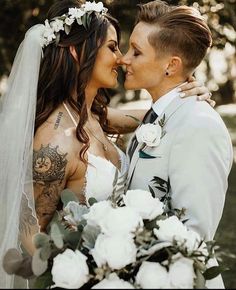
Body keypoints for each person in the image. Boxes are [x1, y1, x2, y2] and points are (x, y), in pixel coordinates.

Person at [0, 0, 213, 288]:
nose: (122, 59)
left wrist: (187, 93)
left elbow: (157, 115)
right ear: (77, 52)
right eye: (113, 47)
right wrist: (97, 270)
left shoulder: (94, 118)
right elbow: (34, 239)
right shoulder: (55, 141)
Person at [120, 1, 233, 288]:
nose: (124, 59)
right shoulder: (158, 114)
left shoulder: (199, 125)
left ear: (171, 65)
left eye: (136, 51)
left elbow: (192, 234)